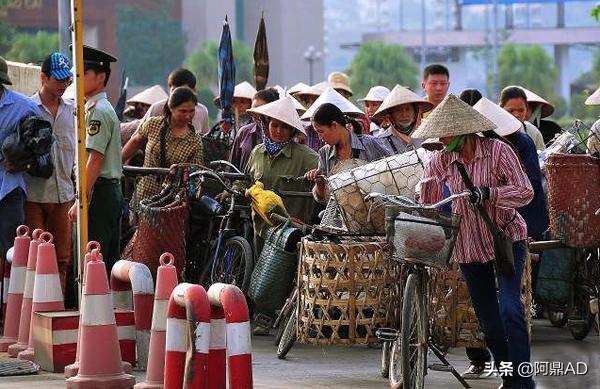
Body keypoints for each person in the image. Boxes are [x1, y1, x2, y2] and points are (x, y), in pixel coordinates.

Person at [414, 94, 535, 389]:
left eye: (445, 134)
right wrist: (428, 177)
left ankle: (524, 381)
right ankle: (509, 378)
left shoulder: (498, 151)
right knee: (490, 323)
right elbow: (428, 203)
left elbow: (525, 191)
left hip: (505, 238)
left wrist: (491, 193)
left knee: (510, 310)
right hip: (469, 245)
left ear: (463, 132)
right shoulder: (441, 158)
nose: (440, 138)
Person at [68, 45, 123, 274]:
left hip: (98, 191)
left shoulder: (98, 111)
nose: (77, 79)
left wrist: (79, 199)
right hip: (99, 190)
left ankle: (96, 309)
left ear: (101, 77)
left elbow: (95, 160)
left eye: (83, 74)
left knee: (94, 257)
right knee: (97, 256)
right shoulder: (94, 108)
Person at [25, 53, 75, 296]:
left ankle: (57, 306)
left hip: (63, 194)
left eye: (67, 81)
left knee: (62, 257)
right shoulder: (27, 109)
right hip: (33, 195)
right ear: (43, 77)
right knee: (35, 255)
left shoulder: (74, 112)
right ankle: (34, 309)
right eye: (58, 80)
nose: (63, 86)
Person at [245, 96, 318, 232]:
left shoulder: (306, 156)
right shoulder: (257, 152)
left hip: (291, 231)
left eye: (285, 127)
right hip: (260, 229)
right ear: (267, 126)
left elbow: (325, 178)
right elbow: (246, 181)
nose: (279, 131)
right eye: (275, 125)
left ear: (292, 131)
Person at [122, 87, 203, 206]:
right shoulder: (153, 124)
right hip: (145, 193)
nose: (188, 116)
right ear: (171, 108)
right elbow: (135, 142)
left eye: (191, 111)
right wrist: (117, 164)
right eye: (183, 111)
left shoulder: (195, 140)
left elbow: (196, 174)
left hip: (172, 203)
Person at [305, 103, 392, 203]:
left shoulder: (371, 144)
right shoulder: (324, 152)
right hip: (340, 215)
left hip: (375, 209)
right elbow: (324, 199)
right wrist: (319, 183)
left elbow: (394, 175)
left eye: (321, 131)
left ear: (334, 125)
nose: (320, 137)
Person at [0, 56, 42, 262]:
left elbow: (44, 153)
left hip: (9, 191)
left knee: (13, 254)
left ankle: (11, 295)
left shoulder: (25, 107)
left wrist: (23, 164)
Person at [141, 68, 209, 135]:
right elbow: (138, 139)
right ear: (169, 90)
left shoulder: (202, 111)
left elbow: (206, 141)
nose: (178, 96)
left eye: (184, 91)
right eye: (174, 91)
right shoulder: (157, 108)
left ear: (194, 91)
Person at [228, 88, 280, 171]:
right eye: (254, 110)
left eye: (261, 110)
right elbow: (232, 167)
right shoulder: (244, 132)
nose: (257, 114)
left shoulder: (280, 134)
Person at [371, 84, 433, 154]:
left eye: (408, 109)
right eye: (398, 110)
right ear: (390, 116)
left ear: (415, 112)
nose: (404, 114)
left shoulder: (429, 131)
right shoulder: (381, 141)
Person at [500, 86, 545, 152]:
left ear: (526, 110)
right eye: (511, 111)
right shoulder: (491, 132)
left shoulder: (533, 132)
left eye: (521, 111)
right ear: (501, 109)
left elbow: (542, 157)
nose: (516, 115)